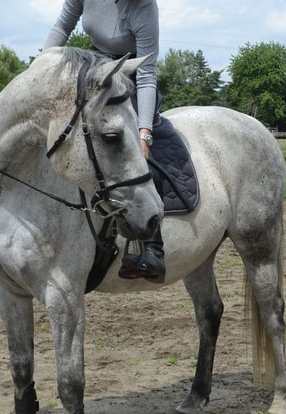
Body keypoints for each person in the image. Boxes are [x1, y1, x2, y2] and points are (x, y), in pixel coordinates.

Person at [43, 0, 166, 283]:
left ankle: (151, 248)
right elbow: (62, 27)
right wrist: (43, 69)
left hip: (131, 78)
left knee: (137, 150)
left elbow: (147, 74)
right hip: (90, 71)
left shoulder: (144, 7)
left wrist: (145, 132)